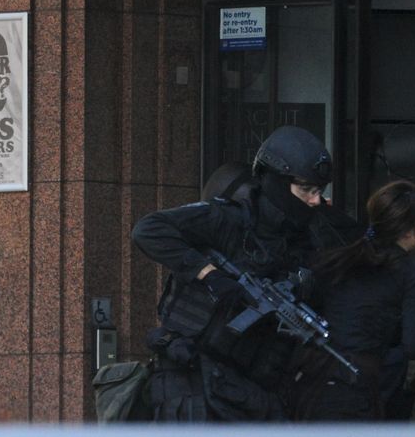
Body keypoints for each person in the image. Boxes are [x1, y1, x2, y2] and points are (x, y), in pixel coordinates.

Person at [132, 126, 349, 422]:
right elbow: (149, 230)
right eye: (306, 189)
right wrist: (209, 275)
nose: (314, 200)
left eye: (318, 191)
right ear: (275, 182)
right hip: (193, 379)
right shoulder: (227, 220)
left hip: (251, 394)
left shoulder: (308, 243)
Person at [287, 179, 415, 421]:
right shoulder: (412, 273)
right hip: (358, 393)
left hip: (310, 385)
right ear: (407, 229)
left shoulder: (343, 258)